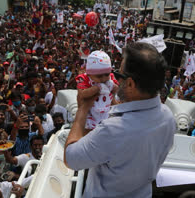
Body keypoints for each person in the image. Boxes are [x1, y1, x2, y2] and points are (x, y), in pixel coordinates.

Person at [64, 42, 176, 198]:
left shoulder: (112, 130)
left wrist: (82, 109)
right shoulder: (168, 118)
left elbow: (70, 159)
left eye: (118, 75)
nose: (113, 80)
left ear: (130, 83)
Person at [75, 50, 118, 130]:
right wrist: (96, 88)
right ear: (89, 73)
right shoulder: (84, 79)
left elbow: (116, 90)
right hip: (90, 112)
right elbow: (82, 94)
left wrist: (112, 85)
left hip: (106, 110)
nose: (104, 79)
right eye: (99, 76)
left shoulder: (111, 78)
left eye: (106, 74)